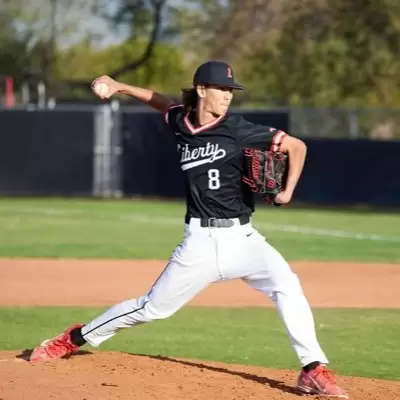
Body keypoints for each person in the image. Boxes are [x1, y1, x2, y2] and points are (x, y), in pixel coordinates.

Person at [30, 60, 348, 398]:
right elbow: (160, 101)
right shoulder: (181, 122)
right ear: (201, 90)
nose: (228, 95)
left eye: (231, 90)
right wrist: (119, 86)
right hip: (200, 243)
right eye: (221, 89)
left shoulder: (238, 129)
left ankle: (312, 369)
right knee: (151, 308)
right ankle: (73, 338)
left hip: (245, 239)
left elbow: (297, 146)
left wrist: (287, 191)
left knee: (287, 286)